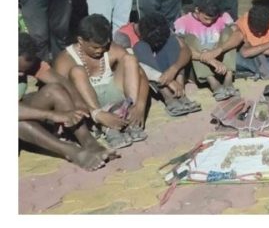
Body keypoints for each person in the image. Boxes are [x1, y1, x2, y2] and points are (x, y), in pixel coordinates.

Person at [19, 33, 116, 171]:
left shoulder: (25, 60)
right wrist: (53, 115)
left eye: (24, 71)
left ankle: (89, 142)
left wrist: (78, 103)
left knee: (55, 90)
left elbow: (60, 82)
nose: (21, 75)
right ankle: (73, 152)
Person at [53, 14, 150, 149]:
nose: (100, 51)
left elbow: (140, 74)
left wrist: (140, 106)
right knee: (77, 71)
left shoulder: (111, 49)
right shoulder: (65, 59)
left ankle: (129, 114)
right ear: (80, 40)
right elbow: (61, 96)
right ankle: (104, 126)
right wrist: (95, 114)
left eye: (103, 46)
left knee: (130, 60)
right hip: (87, 105)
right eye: (95, 47)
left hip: (114, 97)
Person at [114, 13, 200, 117]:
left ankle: (180, 94)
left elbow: (185, 50)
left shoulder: (158, 26)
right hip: (147, 77)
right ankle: (169, 98)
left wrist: (173, 69)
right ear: (141, 35)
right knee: (140, 47)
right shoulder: (123, 36)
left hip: (166, 70)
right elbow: (129, 65)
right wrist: (165, 80)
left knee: (172, 41)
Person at [174, 0, 239, 101]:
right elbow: (179, 47)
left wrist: (219, 50)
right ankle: (214, 84)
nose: (209, 22)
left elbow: (239, 35)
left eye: (213, 19)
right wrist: (207, 58)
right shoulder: (183, 22)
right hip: (198, 65)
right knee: (188, 39)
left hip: (221, 62)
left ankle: (228, 80)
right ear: (197, 10)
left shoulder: (223, 16)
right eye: (206, 18)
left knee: (229, 32)